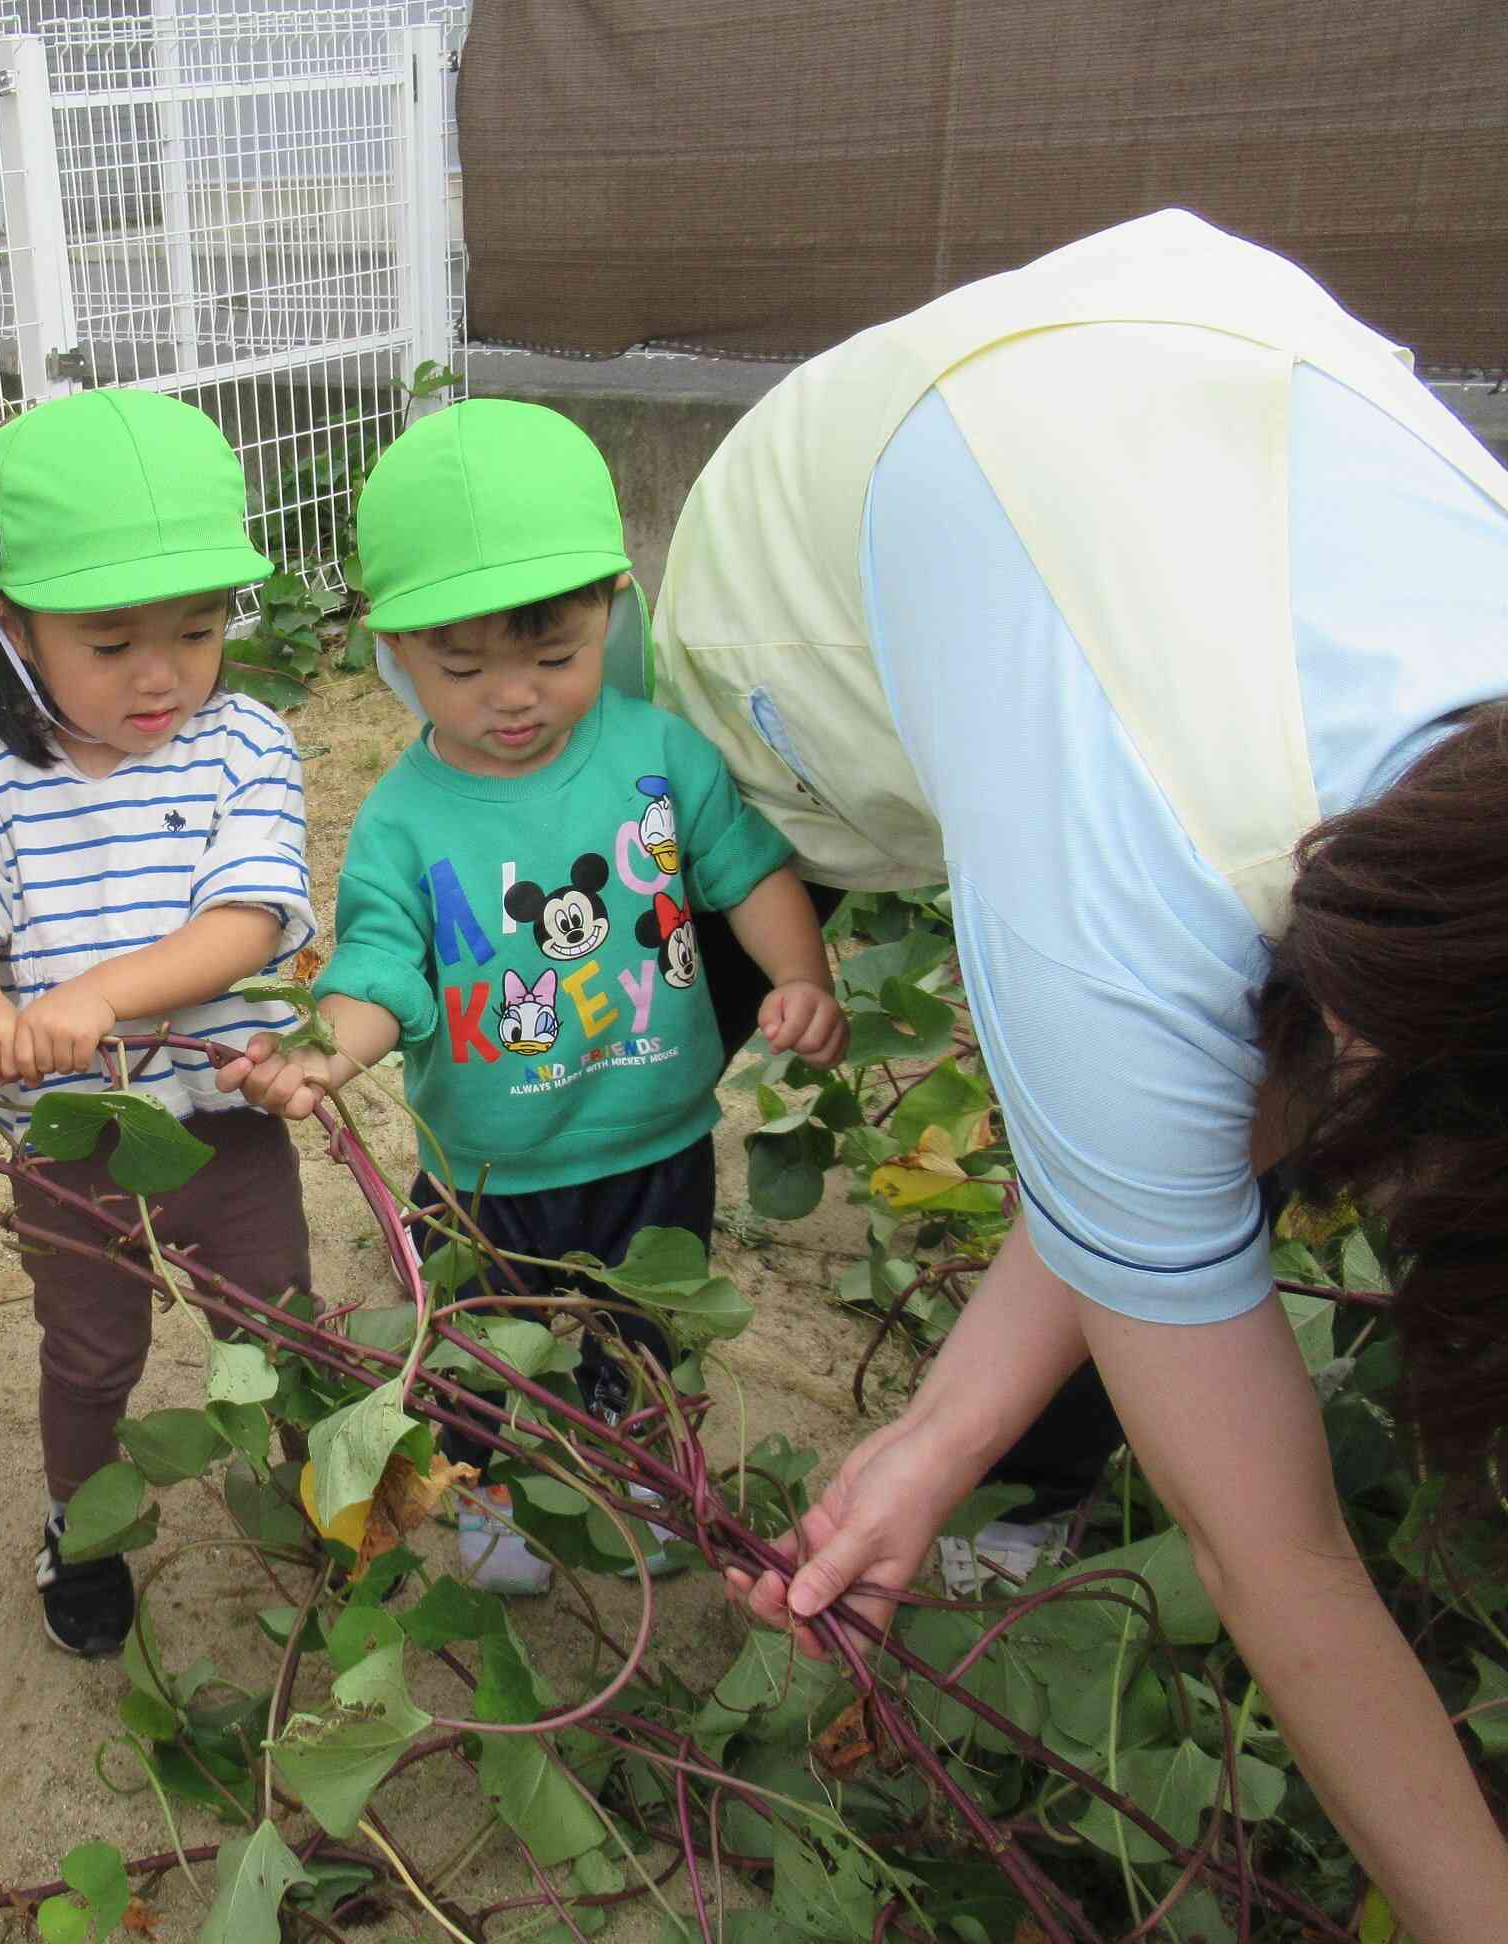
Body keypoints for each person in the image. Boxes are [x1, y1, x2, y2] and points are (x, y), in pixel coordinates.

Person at [644, 209, 1508, 1941]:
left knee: (1166, 1116)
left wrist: (938, 1427)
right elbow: (1275, 1555)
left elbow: (1179, 1129)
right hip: (802, 594)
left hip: (1178, 373)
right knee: (721, 967)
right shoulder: (1126, 909)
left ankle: (1007, 1455)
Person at [217, 401, 846, 1592]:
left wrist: (801, 975)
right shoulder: (405, 818)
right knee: (474, 1359)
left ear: (611, 606)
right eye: (461, 668)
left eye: (552, 657)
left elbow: (745, 869)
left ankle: (649, 1480)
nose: (514, 697)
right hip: (486, 1174)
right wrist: (326, 1052)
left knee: (646, 1340)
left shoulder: (659, 753)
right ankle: (494, 1498)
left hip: (659, 1141)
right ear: (394, 652)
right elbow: (382, 967)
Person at [0, 389, 318, 1656]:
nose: (164, 673)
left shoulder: (247, 742)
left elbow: (247, 923)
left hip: (221, 1125)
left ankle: (320, 1491)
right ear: (12, 625)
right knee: (89, 1356)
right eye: (112, 638)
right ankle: (81, 1527)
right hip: (70, 1145)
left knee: (280, 1325)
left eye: (197, 631)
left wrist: (87, 998)